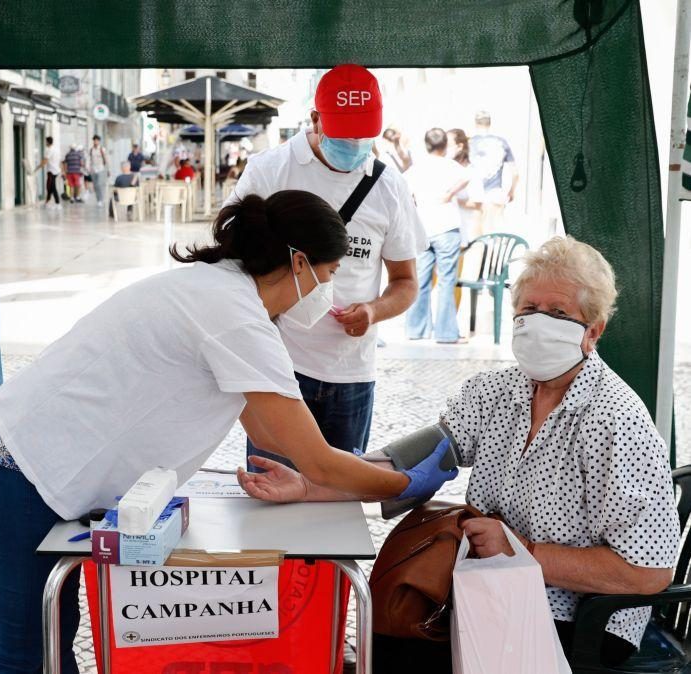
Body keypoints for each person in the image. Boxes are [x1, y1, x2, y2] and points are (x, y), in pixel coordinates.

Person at [0, 189, 458, 674]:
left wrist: (325, 480)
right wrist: (404, 485)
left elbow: (271, 430)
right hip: (23, 464)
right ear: (300, 263)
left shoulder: (220, 289)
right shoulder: (234, 315)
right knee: (27, 651)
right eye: (330, 273)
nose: (329, 290)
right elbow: (315, 456)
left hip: (39, 462)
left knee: (50, 639)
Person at [238, 236, 680, 672]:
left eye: (559, 313)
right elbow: (411, 464)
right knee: (395, 620)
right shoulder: (495, 392)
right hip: (487, 589)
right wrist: (310, 484)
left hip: (581, 619)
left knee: (411, 644)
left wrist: (524, 551)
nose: (539, 322)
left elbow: (648, 571)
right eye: (528, 310)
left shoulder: (615, 421)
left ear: (593, 331)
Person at [226, 63, 425, 469]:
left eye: (363, 135)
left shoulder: (389, 186)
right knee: (273, 494)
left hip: (352, 374)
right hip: (277, 366)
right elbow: (231, 260)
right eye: (343, 133)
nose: (354, 144)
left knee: (339, 502)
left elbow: (405, 282)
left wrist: (373, 311)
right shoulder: (269, 170)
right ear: (314, 119)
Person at [403, 128, 469, 344]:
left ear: (426, 144)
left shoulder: (417, 169)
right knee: (446, 280)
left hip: (422, 228)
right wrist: (449, 193)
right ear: (444, 146)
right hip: (447, 228)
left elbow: (404, 190)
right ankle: (446, 333)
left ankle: (416, 329)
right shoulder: (452, 166)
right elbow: (467, 177)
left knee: (420, 279)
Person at [469, 110, 518, 236]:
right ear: (489, 123)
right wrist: (511, 192)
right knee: (495, 236)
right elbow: (515, 172)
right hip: (496, 192)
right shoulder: (501, 142)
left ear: (476, 123)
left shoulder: (468, 143)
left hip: (474, 194)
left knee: (476, 238)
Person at [446, 128, 481, 243]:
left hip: (464, 233)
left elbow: (477, 204)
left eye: (448, 144)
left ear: (460, 146)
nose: (445, 148)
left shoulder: (471, 171)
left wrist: (451, 199)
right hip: (444, 232)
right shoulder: (445, 168)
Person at [38, 136, 62, 210]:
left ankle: (57, 203)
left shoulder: (50, 150)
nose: (45, 143)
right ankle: (47, 203)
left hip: (52, 171)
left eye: (46, 142)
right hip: (55, 170)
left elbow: (45, 160)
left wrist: (38, 167)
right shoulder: (55, 149)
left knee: (52, 187)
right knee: (50, 187)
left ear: (48, 142)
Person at [87, 134, 109, 207]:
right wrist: (88, 168)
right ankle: (98, 200)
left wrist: (108, 169)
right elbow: (89, 159)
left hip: (101, 169)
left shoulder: (102, 149)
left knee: (100, 184)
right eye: (94, 140)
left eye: (97, 140)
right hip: (93, 169)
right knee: (96, 185)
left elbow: (106, 159)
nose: (95, 142)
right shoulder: (91, 150)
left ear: (99, 141)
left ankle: (101, 199)